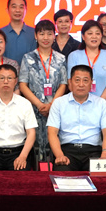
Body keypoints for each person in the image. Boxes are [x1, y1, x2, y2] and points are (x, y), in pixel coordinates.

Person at [19, 19, 69, 163]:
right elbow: (23, 84)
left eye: (49, 34)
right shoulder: (28, 58)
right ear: (36, 36)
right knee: (34, 145)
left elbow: (63, 84)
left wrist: (52, 105)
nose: (45, 38)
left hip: (55, 109)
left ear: (54, 36)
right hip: (33, 109)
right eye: (41, 34)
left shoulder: (61, 58)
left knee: (53, 143)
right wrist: (39, 104)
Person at [47, 65, 106, 171]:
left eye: (85, 80)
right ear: (70, 82)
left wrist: (105, 154)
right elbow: (52, 132)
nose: (81, 84)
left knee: (101, 176)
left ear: (91, 83)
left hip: (93, 151)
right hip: (67, 151)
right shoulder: (59, 103)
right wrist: (59, 155)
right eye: (77, 80)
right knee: (63, 174)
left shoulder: (101, 103)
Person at [0, 64, 38, 171]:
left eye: (9, 78)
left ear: (15, 81)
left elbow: (31, 133)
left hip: (18, 152)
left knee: (21, 175)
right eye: (2, 78)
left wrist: (23, 157)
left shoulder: (25, 104)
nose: (6, 81)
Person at [67, 20, 106, 104]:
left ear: (101, 36)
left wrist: (99, 103)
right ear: (83, 36)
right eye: (90, 33)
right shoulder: (74, 56)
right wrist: (84, 101)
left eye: (97, 33)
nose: (94, 36)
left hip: (103, 104)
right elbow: (70, 82)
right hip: (79, 103)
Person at [0, 0, 36, 64]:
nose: (17, 10)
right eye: (14, 7)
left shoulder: (34, 33)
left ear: (26, 10)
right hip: (5, 70)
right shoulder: (0, 33)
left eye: (21, 7)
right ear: (7, 10)